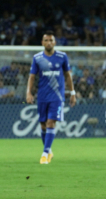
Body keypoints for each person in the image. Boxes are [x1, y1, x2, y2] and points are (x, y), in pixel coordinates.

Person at [26, 31, 76, 164]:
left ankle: (44, 154)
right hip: (42, 96)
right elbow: (32, 77)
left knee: (50, 123)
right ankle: (49, 150)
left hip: (57, 96)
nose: (48, 42)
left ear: (55, 42)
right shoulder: (37, 58)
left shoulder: (62, 56)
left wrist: (72, 93)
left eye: (51, 40)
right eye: (46, 40)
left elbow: (67, 75)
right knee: (43, 125)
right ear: (42, 43)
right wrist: (28, 93)